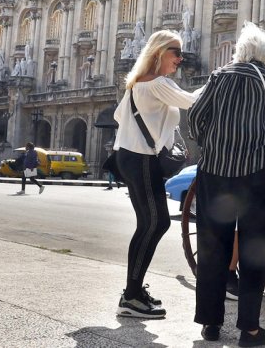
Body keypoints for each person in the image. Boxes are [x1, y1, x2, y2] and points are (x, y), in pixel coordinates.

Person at [188, 22, 265, 347]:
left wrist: (211, 145)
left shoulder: (219, 76)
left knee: (213, 248)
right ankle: (250, 331)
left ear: (242, 51)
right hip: (257, 175)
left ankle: (211, 325)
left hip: (215, 174)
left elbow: (195, 116)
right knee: (254, 250)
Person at [113, 29, 202, 319]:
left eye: (181, 52)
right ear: (158, 52)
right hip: (140, 159)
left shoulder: (137, 83)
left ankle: (134, 291)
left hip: (128, 156)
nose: (180, 57)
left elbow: (118, 116)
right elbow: (192, 102)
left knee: (149, 224)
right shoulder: (158, 83)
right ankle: (131, 295)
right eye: (175, 51)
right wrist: (219, 81)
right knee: (157, 222)